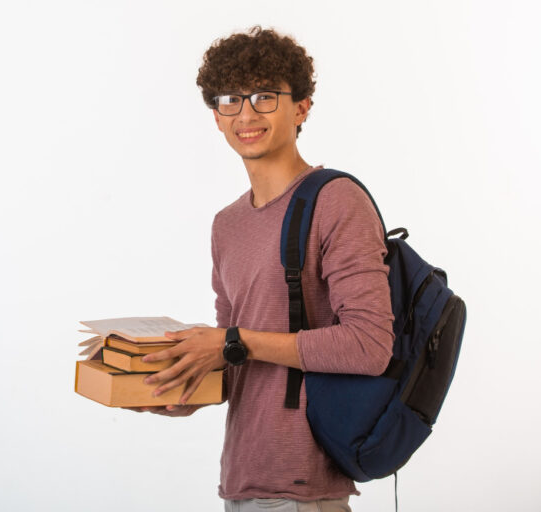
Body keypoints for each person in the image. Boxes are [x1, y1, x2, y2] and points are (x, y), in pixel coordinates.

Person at [134, 26, 394, 512]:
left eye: (264, 96)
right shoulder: (227, 225)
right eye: (230, 98)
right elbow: (237, 361)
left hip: (305, 485)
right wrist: (186, 391)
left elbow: (370, 346)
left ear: (301, 107)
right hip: (242, 481)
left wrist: (234, 341)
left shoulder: (336, 200)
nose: (246, 113)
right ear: (215, 115)